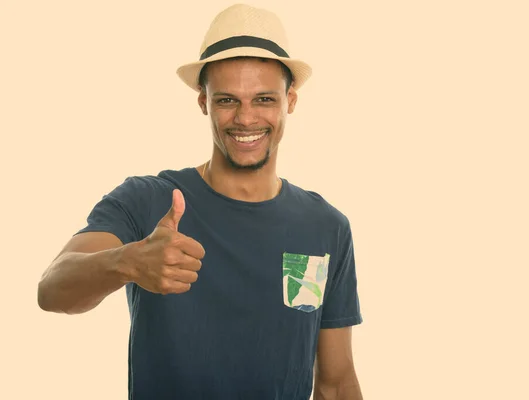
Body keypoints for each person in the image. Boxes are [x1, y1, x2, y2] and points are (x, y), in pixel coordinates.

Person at [37, 4, 363, 399]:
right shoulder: (149, 199)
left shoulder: (325, 226)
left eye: (263, 99)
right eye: (227, 100)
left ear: (289, 101)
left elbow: (335, 382)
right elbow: (52, 290)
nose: (246, 119)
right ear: (203, 101)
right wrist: (126, 262)